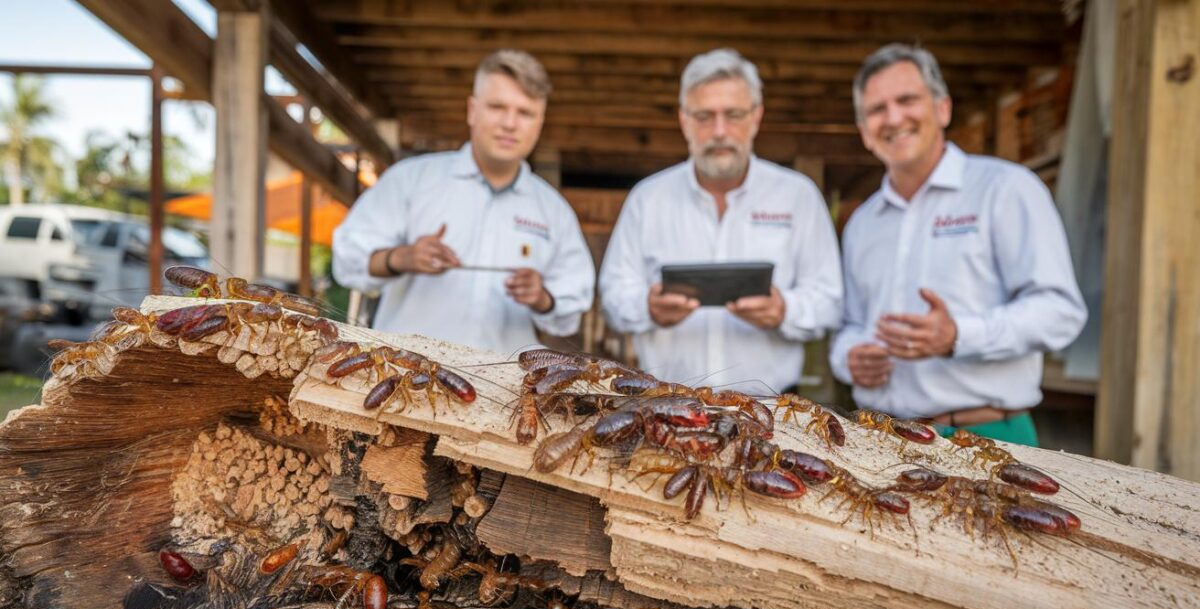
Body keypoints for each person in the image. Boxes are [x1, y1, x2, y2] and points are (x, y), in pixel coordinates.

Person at [830, 44, 1087, 446]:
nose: (893, 117)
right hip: (881, 437)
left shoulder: (1005, 189)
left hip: (988, 435)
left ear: (943, 109)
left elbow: (1060, 313)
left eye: (907, 100)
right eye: (877, 109)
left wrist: (957, 336)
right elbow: (848, 326)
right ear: (864, 132)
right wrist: (850, 359)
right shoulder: (863, 222)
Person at [599, 48, 843, 396]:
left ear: (756, 117)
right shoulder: (647, 198)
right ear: (684, 120)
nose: (719, 131)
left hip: (770, 409)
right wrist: (647, 308)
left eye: (733, 114)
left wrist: (783, 310)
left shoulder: (798, 197)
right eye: (704, 116)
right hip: (666, 407)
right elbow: (612, 297)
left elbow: (830, 303)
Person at [332, 50, 594, 355]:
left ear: (540, 122)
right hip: (405, 372)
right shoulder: (410, 179)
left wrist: (541, 297)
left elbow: (571, 311)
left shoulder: (554, 210)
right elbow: (346, 259)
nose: (510, 123)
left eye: (525, 113)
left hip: (504, 387)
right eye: (498, 107)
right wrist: (402, 257)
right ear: (472, 110)